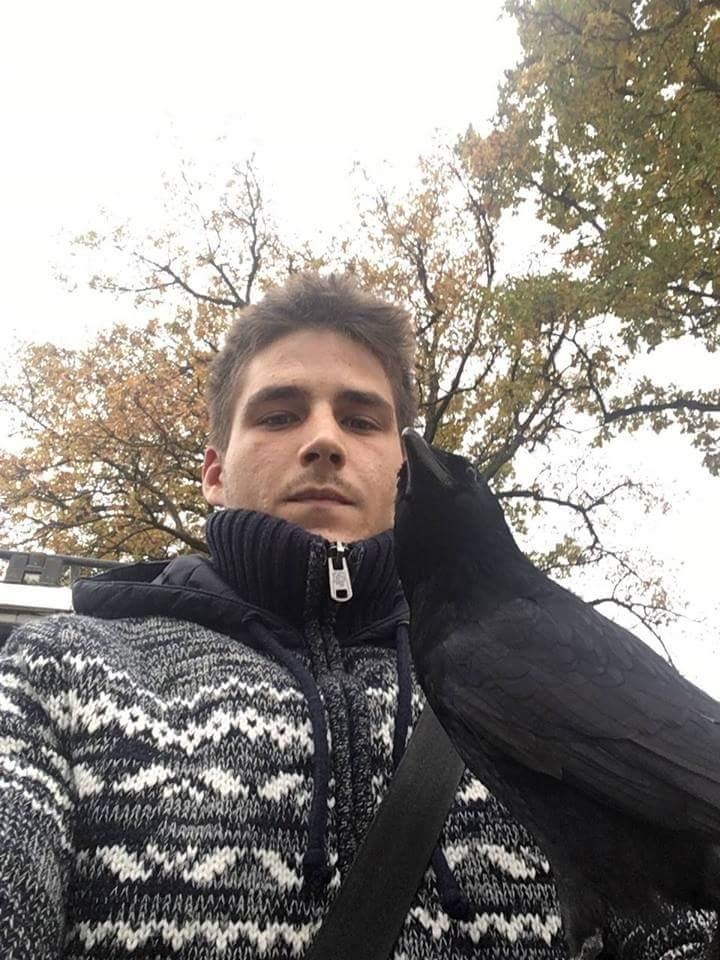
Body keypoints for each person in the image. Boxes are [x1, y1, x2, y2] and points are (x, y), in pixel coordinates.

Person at [0, 273, 714, 959]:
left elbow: (674, 908)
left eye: (362, 420)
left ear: (403, 466)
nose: (325, 441)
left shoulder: (536, 648)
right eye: (280, 415)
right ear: (214, 472)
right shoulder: (55, 675)